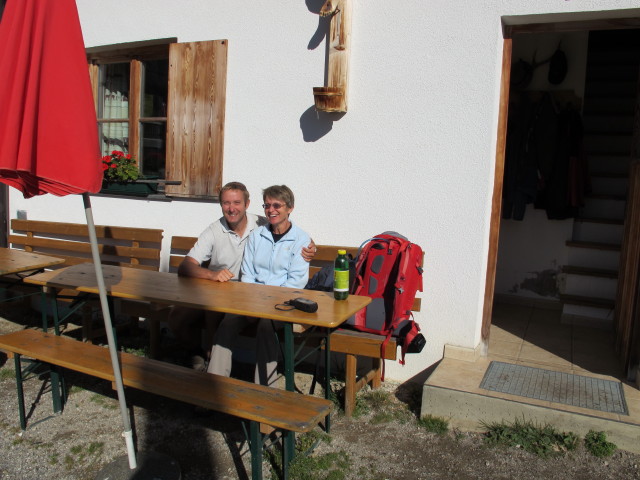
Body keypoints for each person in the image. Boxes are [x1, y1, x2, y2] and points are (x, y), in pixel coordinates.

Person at [168, 181, 315, 369]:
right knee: (206, 316)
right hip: (234, 292)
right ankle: (209, 367)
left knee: (258, 324)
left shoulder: (263, 225)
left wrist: (311, 246)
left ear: (246, 205)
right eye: (226, 203)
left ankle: (259, 384)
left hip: (269, 299)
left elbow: (292, 238)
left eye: (236, 203)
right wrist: (214, 276)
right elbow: (187, 267)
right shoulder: (224, 230)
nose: (231, 208)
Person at [207, 185, 310, 386]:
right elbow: (248, 273)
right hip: (251, 301)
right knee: (228, 321)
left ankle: (265, 390)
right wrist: (252, 303)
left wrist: (266, 304)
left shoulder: (301, 239)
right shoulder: (257, 235)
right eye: (267, 205)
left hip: (283, 304)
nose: (271, 210)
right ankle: (213, 387)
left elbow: (296, 282)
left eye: (277, 205)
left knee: (266, 325)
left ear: (290, 208)